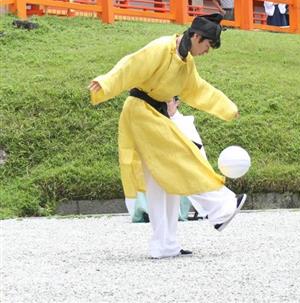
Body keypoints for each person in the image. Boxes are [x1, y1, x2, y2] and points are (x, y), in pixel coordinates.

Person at [88, 14, 246, 259]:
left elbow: (199, 90)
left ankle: (165, 245)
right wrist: (106, 82)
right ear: (196, 36)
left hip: (156, 115)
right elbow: (131, 65)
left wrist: (227, 107)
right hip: (141, 113)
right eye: (207, 45)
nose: (207, 51)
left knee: (163, 182)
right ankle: (221, 208)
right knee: (182, 157)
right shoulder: (162, 48)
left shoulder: (186, 63)